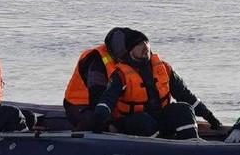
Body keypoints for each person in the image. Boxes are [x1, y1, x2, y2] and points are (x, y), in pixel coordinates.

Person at [90, 29, 222, 139]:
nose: (145, 47)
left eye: (146, 42)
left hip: (159, 116)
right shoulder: (121, 75)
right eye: (139, 44)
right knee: (144, 121)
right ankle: (158, 151)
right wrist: (99, 123)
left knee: (183, 109)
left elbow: (185, 95)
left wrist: (209, 116)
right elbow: (107, 101)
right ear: (130, 50)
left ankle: (191, 145)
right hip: (133, 122)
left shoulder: (163, 68)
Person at [63, 27, 128, 130]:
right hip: (81, 105)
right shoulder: (96, 61)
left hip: (111, 105)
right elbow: (96, 95)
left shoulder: (135, 59)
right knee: (97, 123)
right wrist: (108, 122)